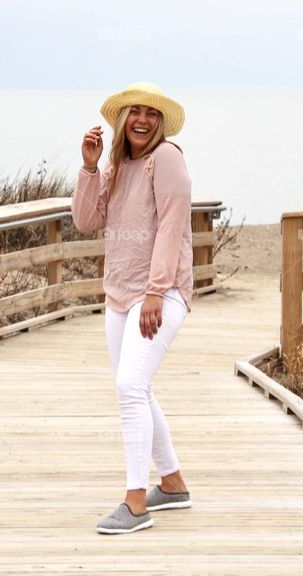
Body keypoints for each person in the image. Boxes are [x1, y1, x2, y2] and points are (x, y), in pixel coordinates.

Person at [71, 82, 195, 534]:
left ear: (160, 123)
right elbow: (87, 220)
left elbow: (171, 225)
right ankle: (174, 483)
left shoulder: (167, 159)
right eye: (134, 113)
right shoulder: (117, 166)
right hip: (119, 292)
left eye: (151, 113)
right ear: (122, 121)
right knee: (137, 388)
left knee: (129, 387)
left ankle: (136, 502)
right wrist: (88, 169)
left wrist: (156, 291)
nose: (142, 119)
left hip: (160, 293)